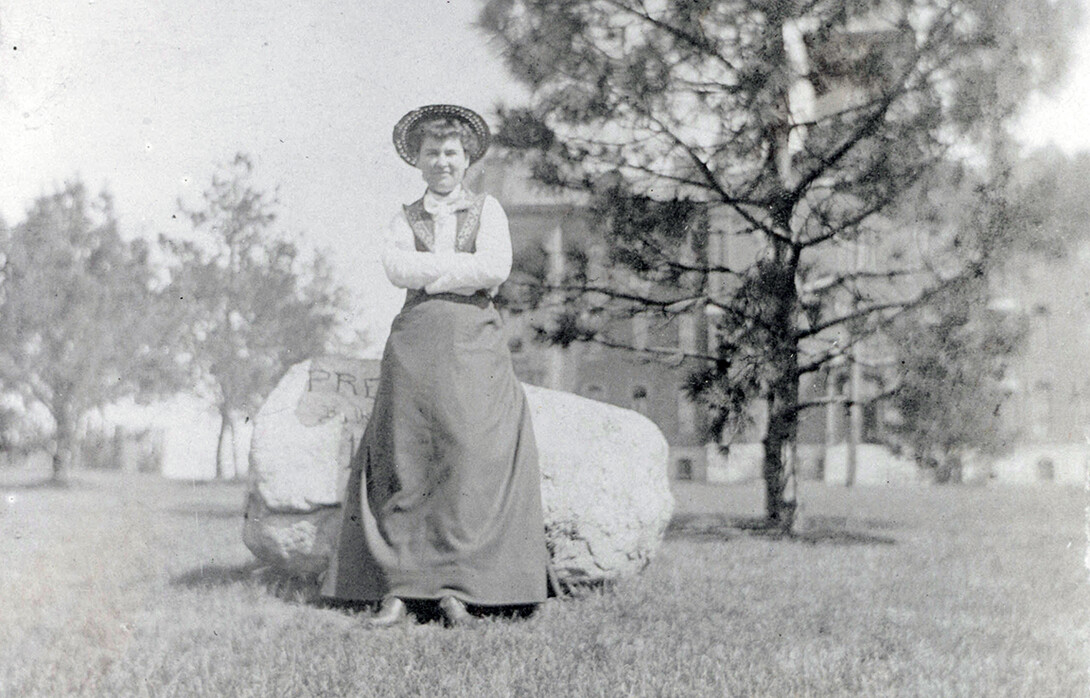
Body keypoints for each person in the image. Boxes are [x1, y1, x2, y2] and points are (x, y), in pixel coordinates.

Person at [320, 104, 548, 627]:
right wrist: (457, 272)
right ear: (418, 162)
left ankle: (460, 589)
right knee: (407, 456)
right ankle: (399, 590)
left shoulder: (488, 211)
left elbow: (494, 267)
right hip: (415, 344)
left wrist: (434, 273)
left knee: (469, 453)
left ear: (466, 159)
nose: (442, 162)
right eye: (432, 153)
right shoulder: (404, 217)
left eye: (451, 153)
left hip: (472, 344)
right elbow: (397, 268)